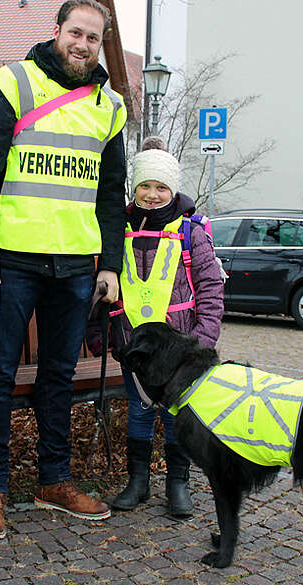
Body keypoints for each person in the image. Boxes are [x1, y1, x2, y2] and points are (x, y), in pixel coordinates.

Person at [0, 0, 127, 540]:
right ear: (56, 31)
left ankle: (54, 480)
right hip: (11, 258)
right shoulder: (11, 84)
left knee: (57, 377)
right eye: (75, 32)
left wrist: (110, 265)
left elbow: (110, 193)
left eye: (93, 38)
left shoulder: (111, 106)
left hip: (77, 264)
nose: (83, 44)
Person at [110, 144, 225, 518]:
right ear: (135, 187)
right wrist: (106, 336)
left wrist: (203, 341)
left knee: (178, 414)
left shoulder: (191, 231)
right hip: (135, 347)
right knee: (140, 410)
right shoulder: (117, 227)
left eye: (161, 187)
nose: (152, 194)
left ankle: (178, 482)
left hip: (181, 350)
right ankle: (138, 481)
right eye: (145, 186)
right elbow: (103, 284)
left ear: (173, 190)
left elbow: (210, 288)